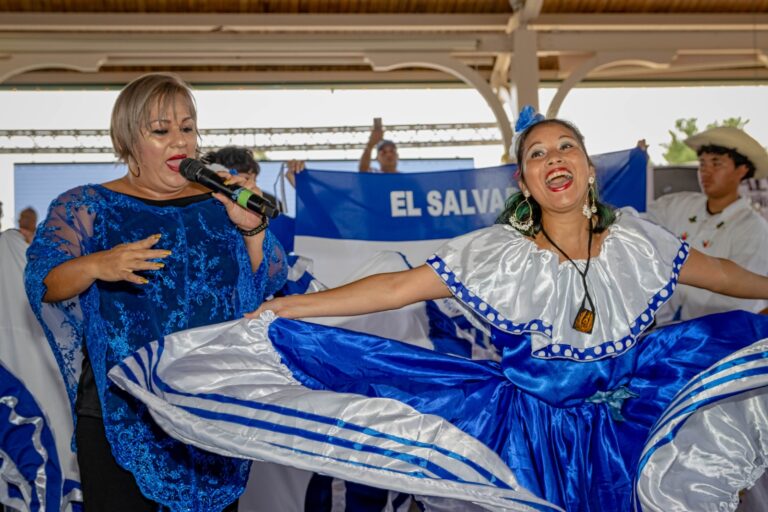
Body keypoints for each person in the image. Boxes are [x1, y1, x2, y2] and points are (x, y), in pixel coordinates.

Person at [109, 108, 768, 511]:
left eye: (565, 146)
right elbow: (397, 290)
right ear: (525, 181)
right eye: (536, 153)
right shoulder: (498, 253)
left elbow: (729, 275)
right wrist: (293, 307)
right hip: (525, 432)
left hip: (628, 421)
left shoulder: (640, 241)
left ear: (587, 168)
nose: (553, 158)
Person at [24, 73, 287, 511]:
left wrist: (253, 230)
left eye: (187, 128)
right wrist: (98, 264)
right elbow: (44, 280)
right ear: (127, 140)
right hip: (121, 409)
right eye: (161, 131)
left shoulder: (221, 201)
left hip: (208, 404)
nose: (179, 142)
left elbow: (269, 279)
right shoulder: (87, 205)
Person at [647, 126, 768, 323]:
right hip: (664, 330)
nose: (706, 172)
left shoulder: (753, 229)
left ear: (742, 170)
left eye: (716, 163)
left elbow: (737, 299)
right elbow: (639, 226)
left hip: (717, 338)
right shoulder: (677, 205)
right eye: (702, 164)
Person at [202, 145, 283, 211]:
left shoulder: (269, 204)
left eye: (254, 179)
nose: (251, 184)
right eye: (246, 179)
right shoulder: (206, 202)